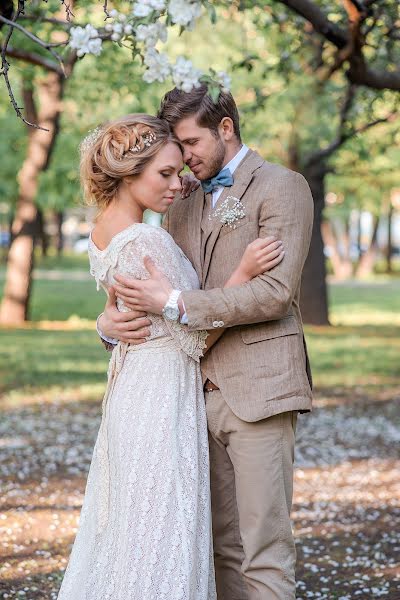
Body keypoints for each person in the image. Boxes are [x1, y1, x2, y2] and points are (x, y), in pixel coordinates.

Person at [98, 86, 314, 600]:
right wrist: (107, 326)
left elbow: (274, 293)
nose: (185, 157)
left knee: (264, 548)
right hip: (187, 398)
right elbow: (144, 286)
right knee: (214, 548)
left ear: (225, 128)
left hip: (258, 392)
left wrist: (174, 302)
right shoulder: (184, 197)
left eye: (191, 142)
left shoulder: (282, 186)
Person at [57, 114, 284, 600]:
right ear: (127, 173)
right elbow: (194, 336)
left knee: (132, 530)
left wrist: (105, 325)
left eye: (179, 172)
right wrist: (243, 272)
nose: (177, 185)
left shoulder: (104, 233)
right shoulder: (146, 239)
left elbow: (121, 313)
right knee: (164, 532)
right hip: (161, 395)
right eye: (164, 174)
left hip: (133, 387)